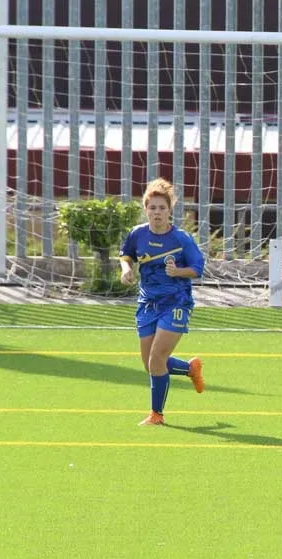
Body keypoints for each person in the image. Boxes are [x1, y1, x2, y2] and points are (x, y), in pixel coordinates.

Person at [119, 178, 206, 426]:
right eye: (152, 208)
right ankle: (190, 369)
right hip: (148, 303)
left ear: (169, 211)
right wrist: (126, 269)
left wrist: (178, 272)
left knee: (157, 357)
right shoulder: (138, 234)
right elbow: (126, 255)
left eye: (162, 208)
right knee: (150, 364)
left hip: (176, 302)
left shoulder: (181, 239)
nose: (157, 212)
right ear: (146, 209)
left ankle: (156, 415)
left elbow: (197, 269)